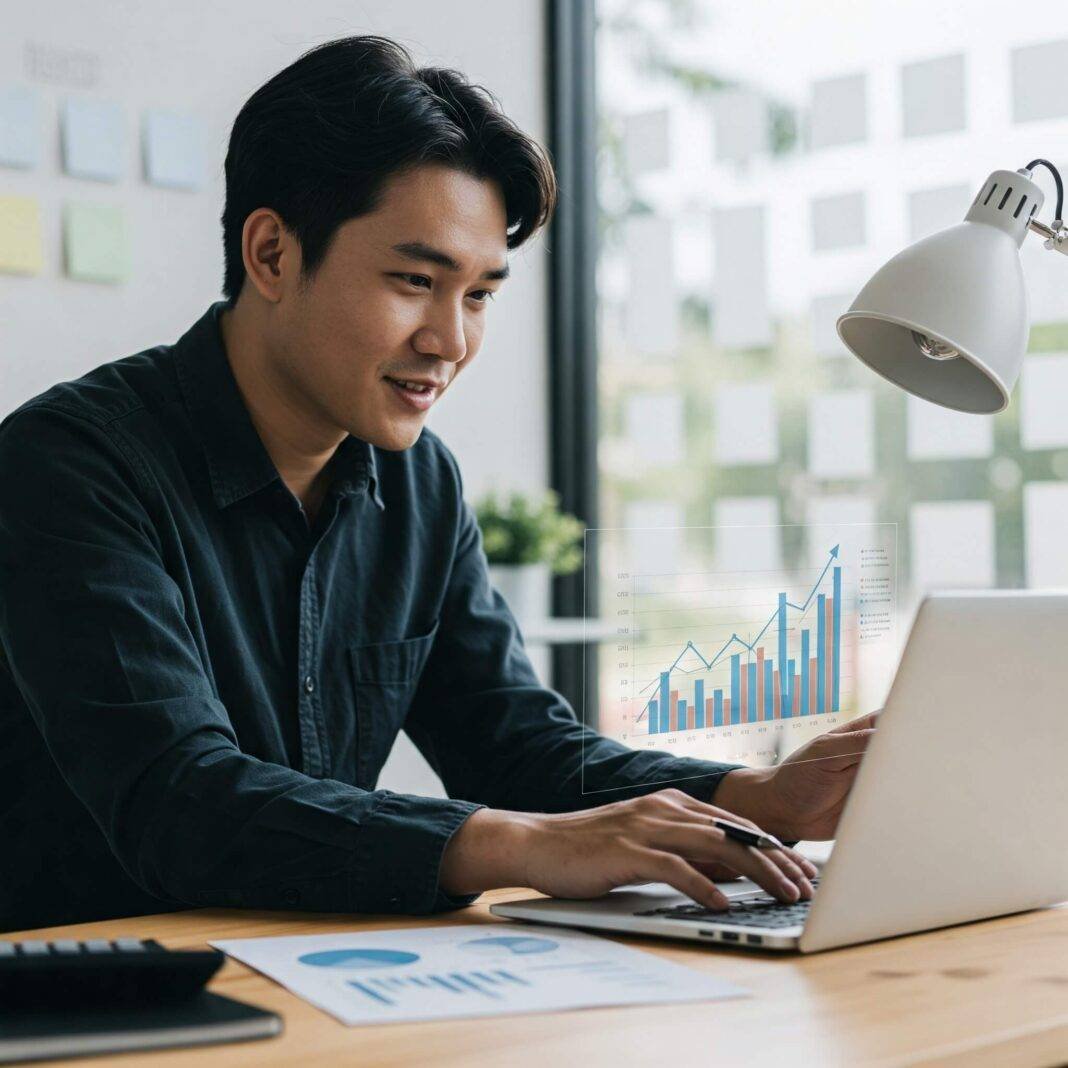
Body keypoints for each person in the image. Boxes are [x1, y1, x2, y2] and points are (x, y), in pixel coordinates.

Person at [0, 36, 875, 932]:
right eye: (416, 281)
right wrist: (527, 844)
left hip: (314, 974)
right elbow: (180, 801)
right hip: (86, 995)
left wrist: (759, 796)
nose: (450, 342)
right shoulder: (69, 464)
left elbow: (511, 742)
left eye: (481, 294)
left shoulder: (416, 480)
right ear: (271, 255)